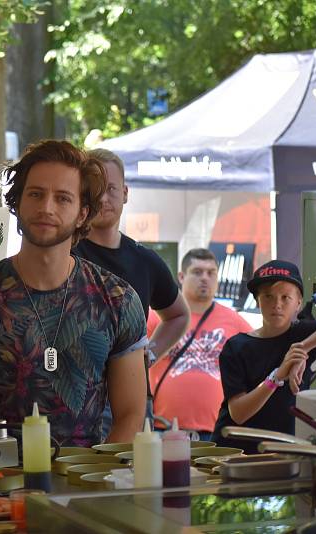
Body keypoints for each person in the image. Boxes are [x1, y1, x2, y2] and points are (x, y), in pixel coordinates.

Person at [0, 140, 148, 447]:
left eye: (63, 198)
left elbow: (131, 417)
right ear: (18, 202)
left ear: (82, 213)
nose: (46, 208)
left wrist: (95, 479)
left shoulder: (117, 299)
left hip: (90, 483)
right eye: (35, 194)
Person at [71, 148, 189, 437]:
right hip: (76, 398)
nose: (102, 198)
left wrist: (150, 354)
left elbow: (178, 315)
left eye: (110, 189)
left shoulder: (144, 260)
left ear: (124, 193)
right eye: (95, 189)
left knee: (132, 479)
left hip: (134, 401)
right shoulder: (65, 255)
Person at [212, 261, 316, 451]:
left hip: (283, 449)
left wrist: (301, 349)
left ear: (298, 303)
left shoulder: (304, 334)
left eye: (286, 297)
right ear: (257, 300)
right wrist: (276, 376)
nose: (277, 304)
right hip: (235, 449)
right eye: (268, 296)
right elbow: (238, 413)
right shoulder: (236, 347)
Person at [147, 248, 251, 441]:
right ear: (181, 276)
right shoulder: (158, 318)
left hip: (215, 432)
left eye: (211, 273)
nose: (205, 278)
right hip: (161, 428)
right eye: (197, 272)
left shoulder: (235, 322)